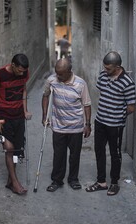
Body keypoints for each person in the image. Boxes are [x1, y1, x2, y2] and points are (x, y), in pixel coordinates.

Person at [86, 51, 136, 196]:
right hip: (100, 121)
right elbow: (102, 90)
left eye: (108, 68)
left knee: (115, 153)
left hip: (115, 125)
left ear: (118, 67)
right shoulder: (103, 75)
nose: (105, 70)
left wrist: (118, 114)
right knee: (99, 151)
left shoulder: (127, 82)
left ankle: (114, 183)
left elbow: (131, 107)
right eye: (104, 67)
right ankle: (101, 181)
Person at [42, 58, 91, 192]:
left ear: (69, 71)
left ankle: (73, 179)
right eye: (57, 73)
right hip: (58, 125)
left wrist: (87, 124)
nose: (58, 76)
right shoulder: (52, 80)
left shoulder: (80, 84)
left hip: (76, 126)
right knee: (59, 154)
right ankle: (57, 180)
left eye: (61, 74)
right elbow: (45, 96)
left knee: (75, 155)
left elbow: (87, 104)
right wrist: (44, 115)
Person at [0, 53, 32, 195]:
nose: (22, 73)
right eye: (19, 70)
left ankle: (9, 180)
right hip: (4, 118)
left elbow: (24, 90)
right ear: (12, 65)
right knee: (9, 148)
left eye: (24, 71)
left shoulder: (24, 73)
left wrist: (25, 110)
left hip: (18, 116)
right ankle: (15, 183)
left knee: (16, 150)